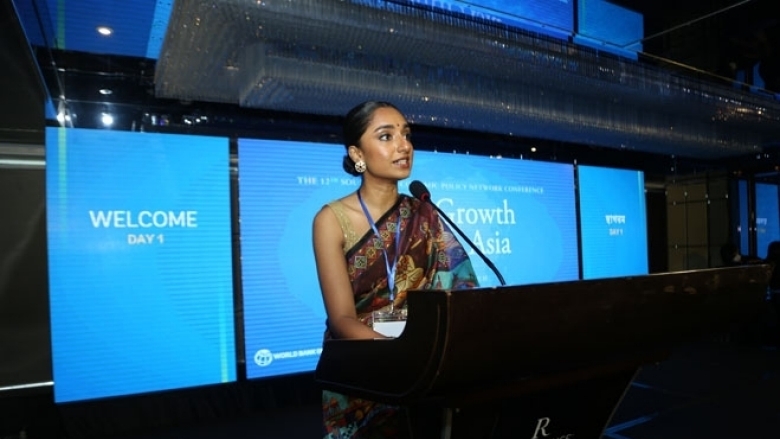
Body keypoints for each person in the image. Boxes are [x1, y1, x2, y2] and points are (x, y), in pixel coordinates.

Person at [312, 101, 479, 438]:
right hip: (364, 374)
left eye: (406, 135)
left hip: (427, 371)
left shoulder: (425, 213)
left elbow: (460, 291)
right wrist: (399, 356)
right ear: (357, 153)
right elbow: (341, 319)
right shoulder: (331, 220)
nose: (404, 145)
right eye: (386, 136)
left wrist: (426, 356)